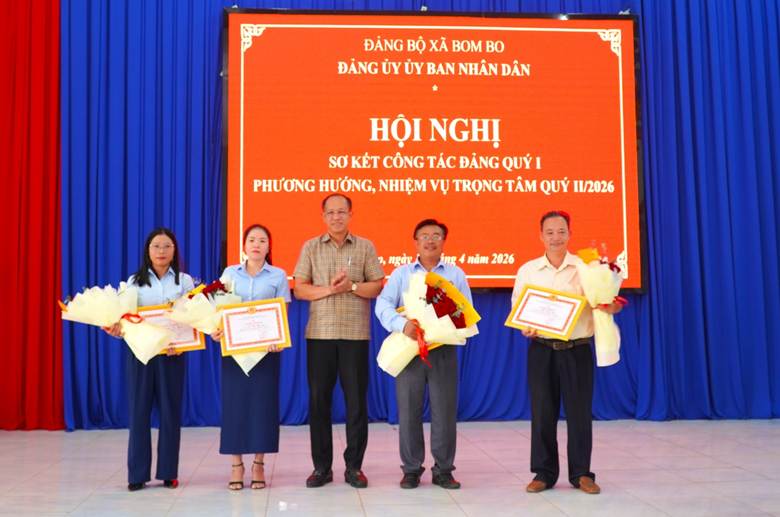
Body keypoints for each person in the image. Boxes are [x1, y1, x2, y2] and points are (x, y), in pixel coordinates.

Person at [511, 211, 622, 495]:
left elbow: (608, 302)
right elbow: (518, 309)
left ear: (570, 234)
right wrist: (526, 326)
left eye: (561, 231)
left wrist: (610, 305)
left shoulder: (588, 269)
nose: (556, 237)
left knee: (579, 413)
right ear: (541, 236)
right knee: (542, 413)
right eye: (549, 232)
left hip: (577, 349)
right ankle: (543, 473)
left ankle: (582, 473)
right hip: (542, 350)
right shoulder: (528, 270)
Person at [293, 193, 384, 488]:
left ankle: (354, 467)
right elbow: (300, 289)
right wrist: (331, 290)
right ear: (323, 216)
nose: (336, 217)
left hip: (355, 335)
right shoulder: (310, 246)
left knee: (356, 403)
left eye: (341, 212)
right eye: (330, 212)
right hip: (319, 334)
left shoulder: (365, 246)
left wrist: (352, 286)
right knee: (319, 402)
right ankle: (321, 468)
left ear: (350, 215)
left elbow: (377, 286)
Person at [375, 218, 473, 490]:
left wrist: (451, 324)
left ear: (444, 241)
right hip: (410, 349)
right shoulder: (401, 274)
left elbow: (466, 311)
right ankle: (411, 469)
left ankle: (444, 470)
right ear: (415, 242)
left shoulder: (455, 274)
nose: (430, 240)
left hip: (443, 351)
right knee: (408, 411)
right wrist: (401, 324)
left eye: (436, 235)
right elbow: (383, 304)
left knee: (445, 412)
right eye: (425, 236)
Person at [104, 227, 195, 491]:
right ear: (147, 250)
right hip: (141, 354)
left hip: (172, 355)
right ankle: (137, 474)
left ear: (174, 250)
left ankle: (169, 472)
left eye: (167, 246)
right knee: (139, 413)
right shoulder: (134, 282)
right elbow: (125, 319)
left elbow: (192, 317)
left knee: (170, 414)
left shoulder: (185, 282)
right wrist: (116, 329)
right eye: (156, 246)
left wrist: (183, 343)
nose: (161, 251)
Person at [210, 224, 290, 490]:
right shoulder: (230, 273)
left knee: (262, 407)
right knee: (235, 407)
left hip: (266, 353)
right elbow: (219, 310)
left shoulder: (278, 275)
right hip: (234, 352)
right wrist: (216, 330)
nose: (257, 244)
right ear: (244, 246)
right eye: (252, 240)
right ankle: (236, 464)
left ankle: (258, 463)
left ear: (269, 246)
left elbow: (282, 313)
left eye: (262, 240)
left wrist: (279, 338)